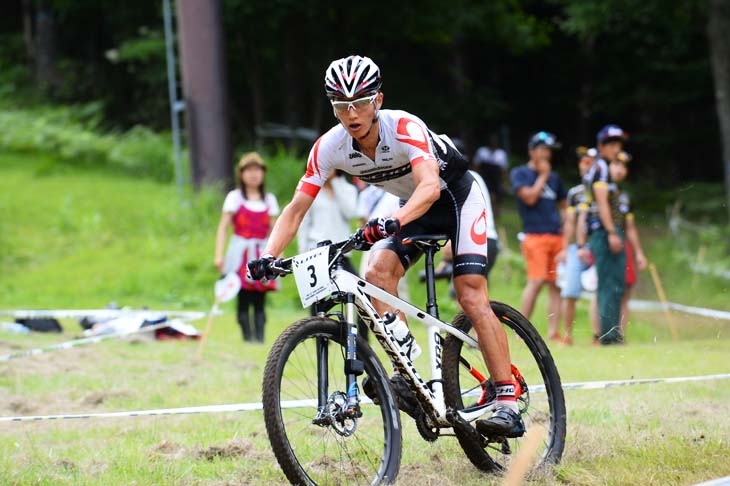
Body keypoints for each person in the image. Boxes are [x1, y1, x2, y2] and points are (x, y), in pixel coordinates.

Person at [247, 55, 524, 437]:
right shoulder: (330, 146)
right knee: (375, 272)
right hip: (410, 209)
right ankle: (405, 363)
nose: (351, 113)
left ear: (377, 100)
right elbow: (296, 208)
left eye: (359, 102)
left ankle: (508, 399)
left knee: (471, 296)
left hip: (456, 197)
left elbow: (428, 186)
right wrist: (268, 255)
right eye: (341, 106)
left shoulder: (404, 126)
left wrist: (395, 219)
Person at [214, 152, 280, 343]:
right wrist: (219, 255)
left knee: (260, 297)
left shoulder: (269, 200)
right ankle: (247, 337)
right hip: (240, 253)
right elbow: (223, 227)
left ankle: (259, 338)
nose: (253, 174)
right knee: (242, 295)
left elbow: (275, 230)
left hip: (261, 253)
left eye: (257, 170)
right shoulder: (234, 198)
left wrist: (278, 255)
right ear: (241, 174)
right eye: (249, 170)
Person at [510, 131, 567, 342]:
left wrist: (566, 228)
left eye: (549, 151)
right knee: (536, 281)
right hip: (534, 236)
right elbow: (530, 198)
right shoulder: (521, 173)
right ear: (531, 151)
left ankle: (554, 332)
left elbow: (564, 206)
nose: (547, 155)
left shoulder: (555, 178)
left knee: (556, 284)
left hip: (556, 236)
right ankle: (519, 331)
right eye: (543, 150)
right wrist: (543, 175)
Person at [585, 150, 647, 342]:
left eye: (624, 166)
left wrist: (638, 253)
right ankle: (603, 335)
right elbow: (583, 218)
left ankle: (616, 334)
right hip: (604, 238)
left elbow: (630, 227)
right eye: (617, 164)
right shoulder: (599, 188)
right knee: (605, 287)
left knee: (618, 288)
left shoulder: (623, 196)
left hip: (619, 241)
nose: (621, 169)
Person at [297, 171, 367, 337]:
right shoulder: (312, 189)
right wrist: (302, 252)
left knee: (361, 296)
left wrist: (336, 183)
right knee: (317, 299)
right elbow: (304, 222)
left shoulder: (347, 189)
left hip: (341, 252)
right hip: (317, 251)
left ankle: (363, 339)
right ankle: (320, 337)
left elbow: (351, 212)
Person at [581, 124, 630, 345]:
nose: (615, 148)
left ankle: (612, 333)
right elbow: (601, 203)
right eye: (611, 144)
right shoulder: (600, 167)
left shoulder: (604, 167)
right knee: (610, 283)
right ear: (601, 146)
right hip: (603, 231)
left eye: (618, 143)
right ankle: (609, 336)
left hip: (605, 230)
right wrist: (611, 232)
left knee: (615, 282)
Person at [555, 147, 595, 345]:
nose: (586, 166)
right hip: (575, 249)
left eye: (590, 162)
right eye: (583, 162)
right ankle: (567, 335)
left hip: (596, 246)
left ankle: (599, 336)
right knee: (570, 291)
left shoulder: (603, 191)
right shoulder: (575, 193)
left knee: (598, 292)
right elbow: (569, 222)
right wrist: (564, 247)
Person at [472, 134, 508, 217]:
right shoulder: (482, 151)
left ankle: (496, 214)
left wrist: (505, 182)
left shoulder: (501, 154)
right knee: (484, 194)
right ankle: (484, 211)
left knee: (497, 196)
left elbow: (504, 170)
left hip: (496, 178)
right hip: (485, 177)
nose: (493, 143)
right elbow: (476, 165)